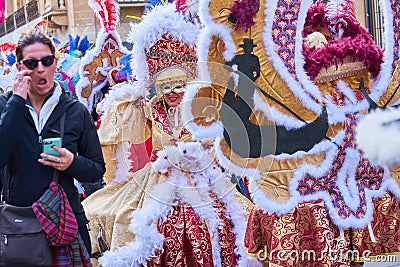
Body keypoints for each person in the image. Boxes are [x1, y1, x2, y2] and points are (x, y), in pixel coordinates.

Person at [0, 29, 105, 258]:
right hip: (19, 226)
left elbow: (96, 169)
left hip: (65, 226)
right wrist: (17, 102)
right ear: (19, 67)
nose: (40, 69)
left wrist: (72, 163)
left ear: (55, 63)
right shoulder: (5, 106)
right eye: (31, 63)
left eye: (46, 61)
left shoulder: (75, 110)